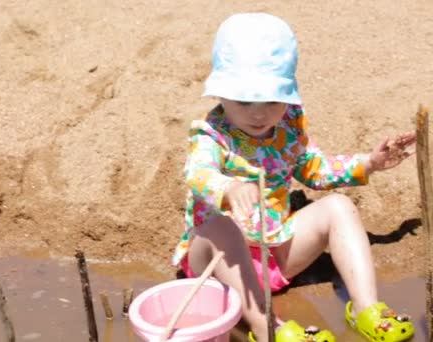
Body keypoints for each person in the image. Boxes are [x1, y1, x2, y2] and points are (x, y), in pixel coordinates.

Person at [171, 12, 416, 342]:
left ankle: (365, 306)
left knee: (339, 206)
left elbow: (313, 170)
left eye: (273, 100)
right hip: (217, 267)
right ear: (221, 94)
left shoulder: (288, 127)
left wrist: (368, 163)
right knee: (220, 227)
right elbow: (197, 173)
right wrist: (228, 187)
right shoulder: (211, 135)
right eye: (244, 100)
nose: (259, 113)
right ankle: (266, 326)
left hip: (275, 255)